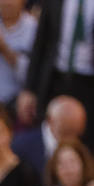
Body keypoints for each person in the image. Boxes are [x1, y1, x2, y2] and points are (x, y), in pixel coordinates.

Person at [16, 0, 94, 146]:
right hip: (56, 78)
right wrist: (29, 88)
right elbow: (40, 41)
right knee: (51, 136)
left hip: (89, 82)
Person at [12, 97, 87, 179]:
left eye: (76, 133)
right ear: (50, 120)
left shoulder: (86, 147)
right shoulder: (20, 146)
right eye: (66, 132)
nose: (71, 139)